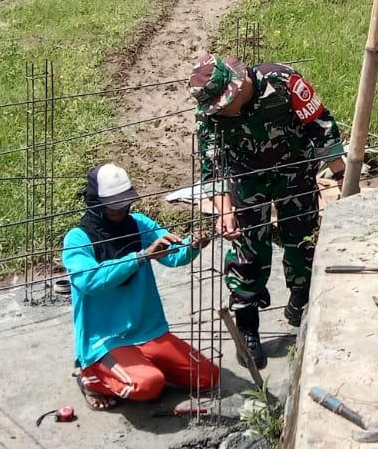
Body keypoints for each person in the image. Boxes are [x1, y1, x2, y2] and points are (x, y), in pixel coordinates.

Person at [190, 53, 346, 368]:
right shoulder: (211, 112)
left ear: (238, 87)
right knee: (248, 249)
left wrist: (342, 177)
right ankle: (248, 327)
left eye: (223, 106)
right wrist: (223, 211)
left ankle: (300, 303)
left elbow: (322, 127)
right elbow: (211, 164)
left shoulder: (284, 82)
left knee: (303, 238)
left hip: (295, 172)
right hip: (246, 180)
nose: (221, 113)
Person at [63, 162, 218, 409]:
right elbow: (89, 281)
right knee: (148, 386)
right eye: (115, 205)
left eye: (125, 202)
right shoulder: (78, 238)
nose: (122, 209)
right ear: (95, 203)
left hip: (147, 331)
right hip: (106, 339)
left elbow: (172, 255)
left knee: (208, 377)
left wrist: (193, 245)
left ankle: (142, 365)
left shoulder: (139, 223)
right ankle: (90, 376)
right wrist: (140, 257)